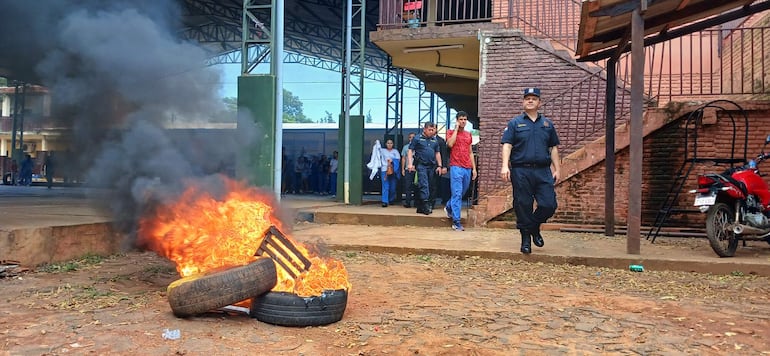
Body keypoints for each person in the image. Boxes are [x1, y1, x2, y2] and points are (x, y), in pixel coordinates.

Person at [500, 87, 561, 254]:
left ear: (539, 102)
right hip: (521, 171)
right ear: (523, 102)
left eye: (534, 98)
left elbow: (553, 148)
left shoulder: (547, 125)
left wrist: (557, 168)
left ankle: (533, 227)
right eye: (527, 98)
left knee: (549, 204)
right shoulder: (515, 123)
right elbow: (507, 145)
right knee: (523, 204)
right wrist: (505, 165)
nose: (530, 100)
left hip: (543, 171)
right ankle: (525, 238)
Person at [446, 111, 477, 231]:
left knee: (462, 192)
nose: (463, 121)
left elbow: (470, 152)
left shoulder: (468, 135)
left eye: (465, 119)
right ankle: (456, 221)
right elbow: (450, 144)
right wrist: (455, 130)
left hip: (467, 167)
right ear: (457, 120)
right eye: (461, 119)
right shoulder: (450, 132)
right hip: (456, 166)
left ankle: (449, 206)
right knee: (457, 193)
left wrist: (474, 168)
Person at [407, 122, 442, 215]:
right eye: (430, 130)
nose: (432, 131)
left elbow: (437, 153)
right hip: (421, 165)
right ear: (425, 129)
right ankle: (426, 204)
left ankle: (420, 206)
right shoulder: (417, 138)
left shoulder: (434, 140)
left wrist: (440, 165)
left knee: (430, 185)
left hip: (432, 166)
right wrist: (410, 164)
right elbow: (410, 150)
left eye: (433, 130)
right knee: (424, 184)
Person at [378, 139, 401, 207]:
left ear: (393, 144)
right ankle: (385, 201)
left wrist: (392, 160)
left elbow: (398, 160)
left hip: (393, 170)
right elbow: (377, 150)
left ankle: (391, 199)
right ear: (385, 144)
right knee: (385, 186)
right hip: (384, 170)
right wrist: (377, 143)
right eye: (388, 143)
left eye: (391, 143)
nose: (389, 144)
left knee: (393, 187)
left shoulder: (395, 151)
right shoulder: (382, 151)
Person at [401, 132, 416, 208]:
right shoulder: (405, 147)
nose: (412, 138)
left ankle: (417, 203)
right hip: (408, 169)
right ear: (408, 138)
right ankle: (408, 202)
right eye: (410, 137)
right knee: (408, 186)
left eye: (413, 137)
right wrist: (403, 169)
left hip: (417, 170)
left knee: (417, 186)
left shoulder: (419, 147)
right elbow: (403, 158)